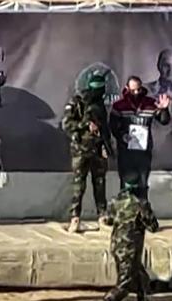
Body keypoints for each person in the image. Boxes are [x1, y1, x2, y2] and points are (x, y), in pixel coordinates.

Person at [62, 74, 112, 233]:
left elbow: (104, 128)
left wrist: (106, 146)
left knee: (100, 185)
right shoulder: (77, 103)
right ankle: (75, 218)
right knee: (79, 186)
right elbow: (66, 124)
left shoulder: (100, 105)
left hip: (97, 150)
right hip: (81, 151)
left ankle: (102, 216)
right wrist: (85, 125)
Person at [110, 76, 171, 200]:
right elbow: (112, 126)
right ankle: (125, 213)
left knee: (143, 184)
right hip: (126, 151)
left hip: (144, 151)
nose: (136, 93)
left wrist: (164, 110)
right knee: (126, 184)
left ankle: (143, 213)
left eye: (139, 89)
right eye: (133, 90)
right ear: (127, 89)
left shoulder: (150, 103)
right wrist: (122, 135)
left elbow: (164, 121)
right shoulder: (119, 105)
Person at [103, 174, 159, 301]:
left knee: (140, 276)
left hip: (117, 246)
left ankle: (143, 295)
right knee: (124, 285)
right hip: (130, 249)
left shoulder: (115, 201)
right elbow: (153, 227)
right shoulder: (141, 204)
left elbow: (108, 220)